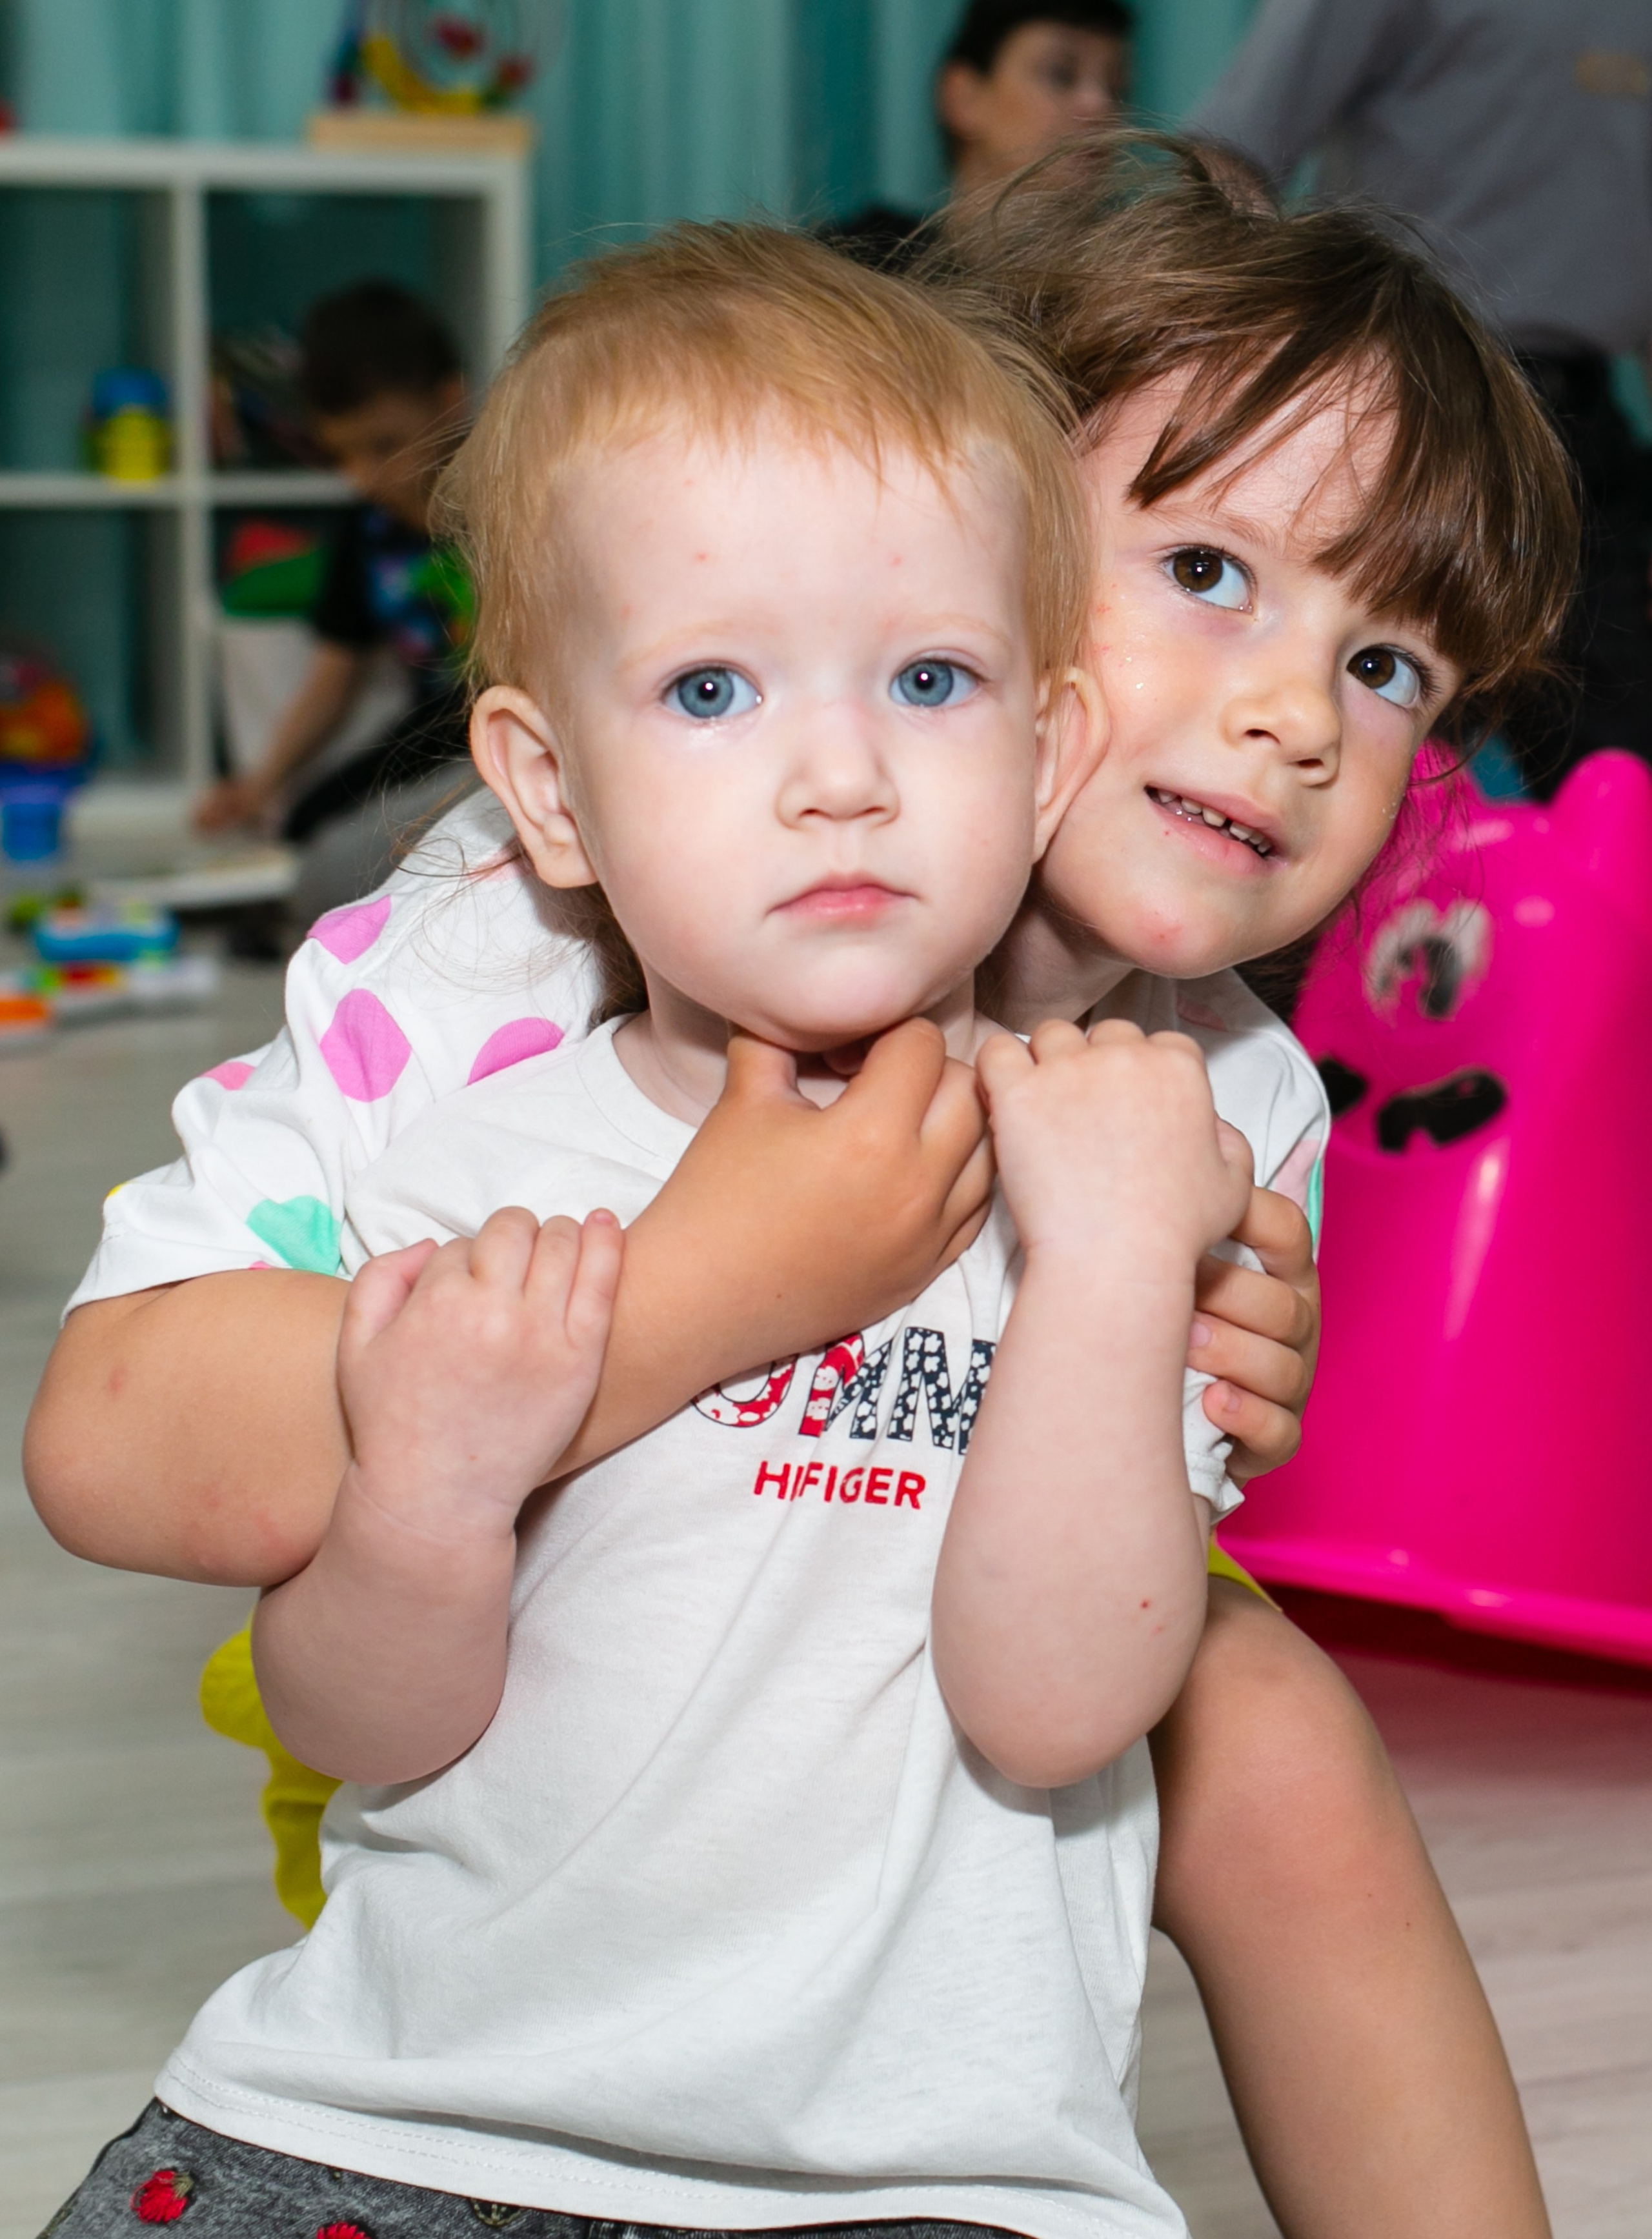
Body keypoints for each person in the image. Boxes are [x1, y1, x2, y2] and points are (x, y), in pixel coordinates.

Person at [26, 143, 1576, 2236]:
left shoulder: (1219, 1091)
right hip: (474, 1699)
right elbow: (117, 1447)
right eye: (1210, 568)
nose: (1305, 711)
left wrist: (1168, 1327)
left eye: (1394, 667)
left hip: (930, 1714)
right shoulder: (526, 936)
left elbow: (1074, 1648)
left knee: (1270, 1730)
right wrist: (719, 1277)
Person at [1191, 0, 1652, 796]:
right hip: (1407, 404)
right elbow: (1225, 154)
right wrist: (1280, 365)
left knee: (1621, 782)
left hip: (1584, 424)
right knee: (1345, 762)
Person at [194, 281, 475, 883]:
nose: (365, 477)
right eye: (342, 455)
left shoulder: (510, 496)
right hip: (429, 734)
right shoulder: (368, 527)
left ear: (452, 400)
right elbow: (334, 679)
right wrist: (257, 786)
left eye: (385, 446)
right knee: (306, 829)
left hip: (503, 734)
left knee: (358, 856)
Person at [825, 0, 1131, 268]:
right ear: (963, 97)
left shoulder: (1128, 289)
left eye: (1117, 88)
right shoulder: (857, 263)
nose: (1100, 106)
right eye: (1061, 74)